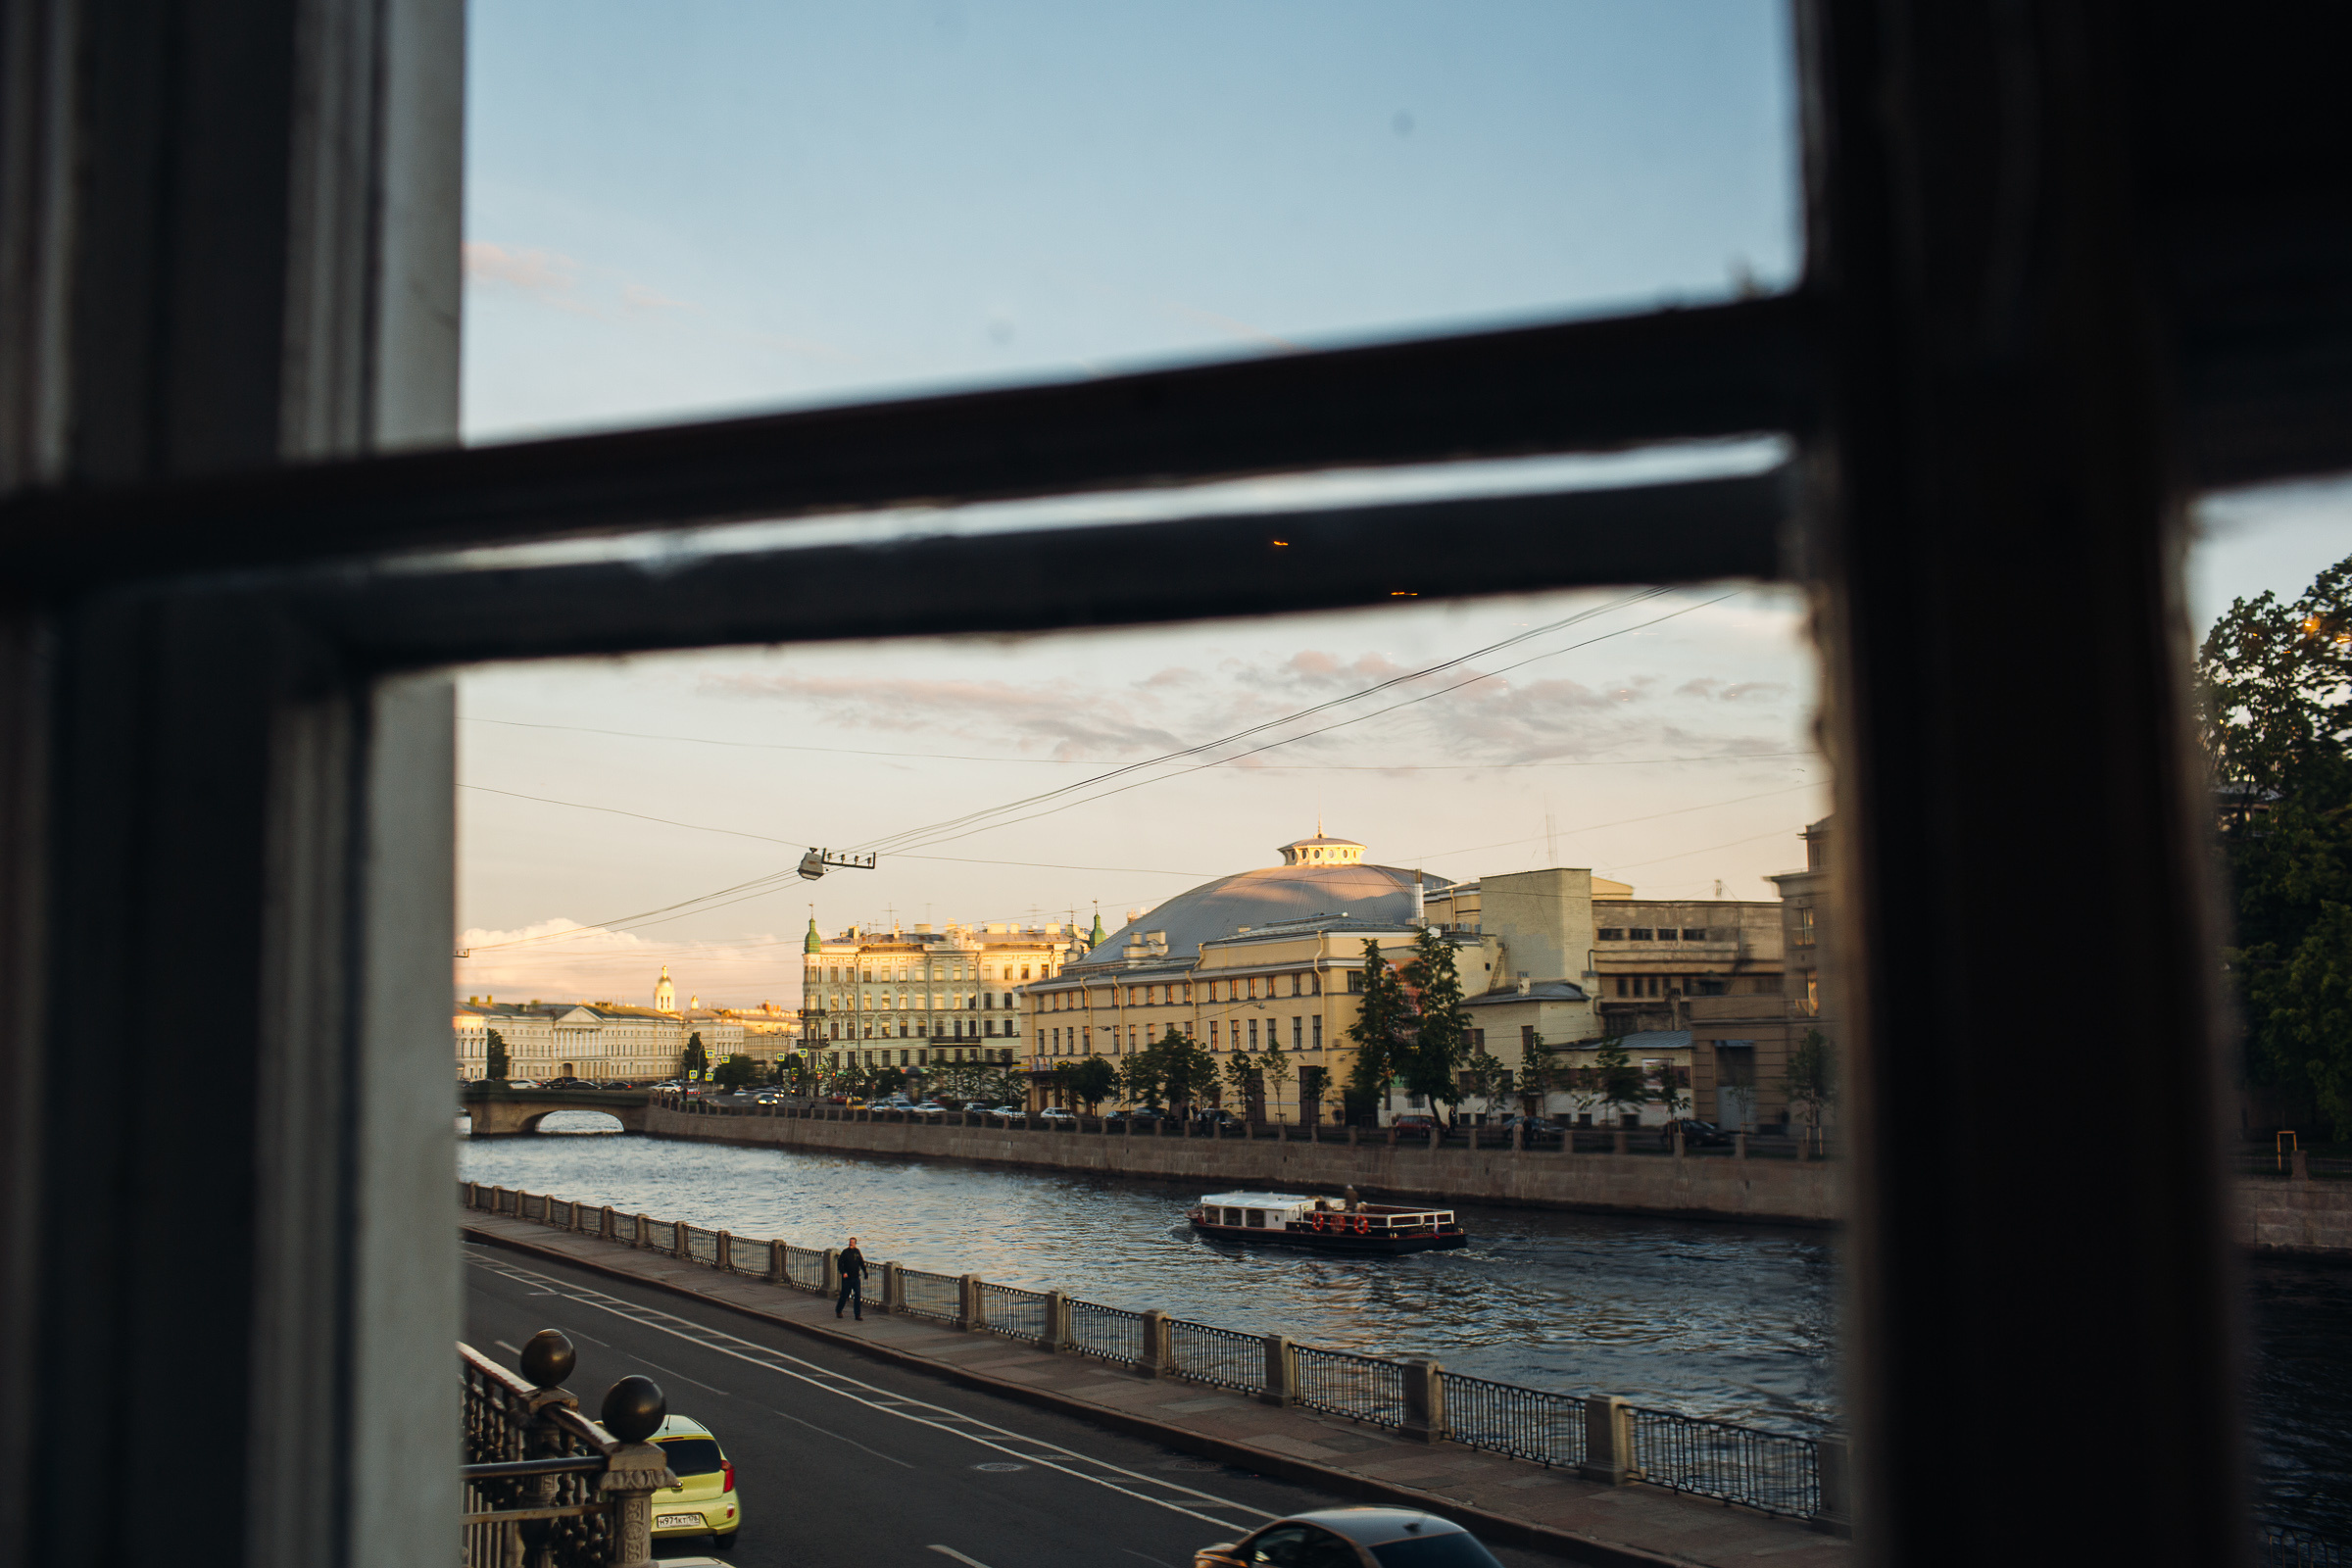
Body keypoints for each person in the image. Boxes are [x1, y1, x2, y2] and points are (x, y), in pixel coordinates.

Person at [836, 1235, 868, 1321]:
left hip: (856, 1278)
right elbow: (839, 1264)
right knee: (844, 1295)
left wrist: (865, 1272)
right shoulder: (845, 1252)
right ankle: (838, 1310)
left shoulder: (857, 1252)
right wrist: (843, 1272)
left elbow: (861, 1262)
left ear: (855, 1244)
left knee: (857, 1296)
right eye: (850, 1242)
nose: (851, 1244)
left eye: (852, 1242)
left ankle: (857, 1315)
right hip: (847, 1279)